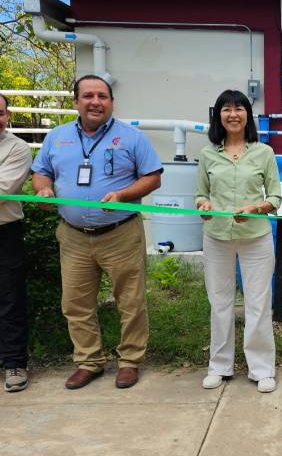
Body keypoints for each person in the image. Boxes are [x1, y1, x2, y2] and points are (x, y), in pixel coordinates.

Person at [31, 75, 163, 390]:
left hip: (120, 233)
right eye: (88, 95)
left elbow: (153, 177)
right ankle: (88, 361)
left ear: (111, 102)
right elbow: (40, 172)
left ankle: (130, 360)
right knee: (75, 302)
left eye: (102, 96)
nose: (96, 102)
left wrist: (123, 195)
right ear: (76, 101)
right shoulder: (57, 137)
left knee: (130, 300)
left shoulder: (131, 137)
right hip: (73, 235)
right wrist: (44, 190)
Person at [195, 89, 282, 393]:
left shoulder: (263, 152)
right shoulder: (208, 154)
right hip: (217, 237)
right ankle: (219, 366)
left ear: (248, 114)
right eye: (226, 109)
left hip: (255, 237)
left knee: (258, 304)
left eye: (239, 108)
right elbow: (201, 194)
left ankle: (261, 369)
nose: (233, 114)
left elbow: (275, 197)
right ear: (218, 115)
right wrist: (203, 207)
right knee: (220, 303)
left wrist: (257, 208)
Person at [0, 93, 33, 392]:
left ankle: (14, 363)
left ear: (7, 116)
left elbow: (5, 186)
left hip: (4, 231)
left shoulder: (17, 148)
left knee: (9, 300)